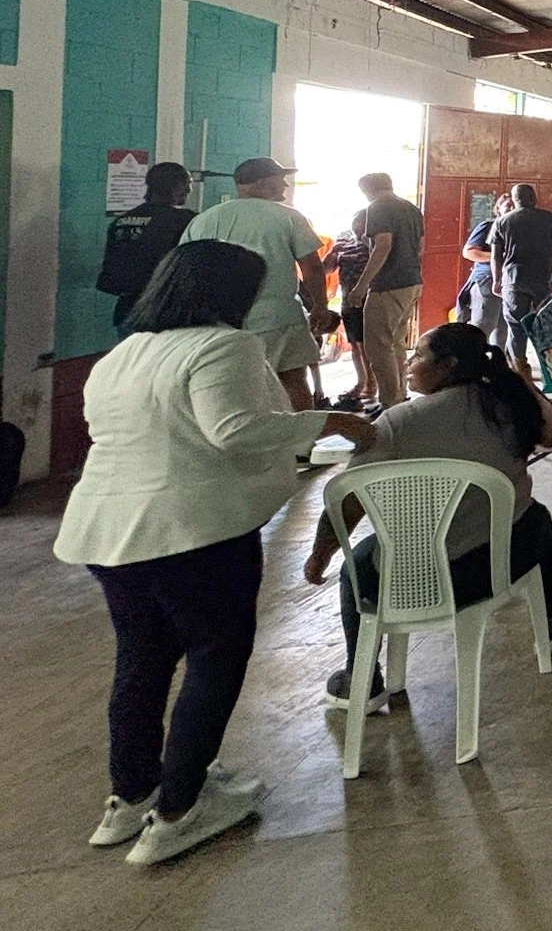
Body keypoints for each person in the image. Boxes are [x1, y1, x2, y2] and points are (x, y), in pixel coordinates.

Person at [55, 241, 372, 865]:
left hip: (108, 530)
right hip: (190, 533)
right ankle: (179, 809)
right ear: (231, 293)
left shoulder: (123, 353)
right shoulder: (222, 344)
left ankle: (132, 793)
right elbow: (233, 430)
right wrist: (325, 422)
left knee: (142, 659)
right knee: (213, 657)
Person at [305, 321, 552, 711]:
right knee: (537, 517)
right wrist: (525, 386)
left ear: (447, 365)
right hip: (495, 569)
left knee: (356, 563)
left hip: (412, 582)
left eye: (418, 356)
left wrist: (320, 556)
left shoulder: (397, 422)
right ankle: (551, 615)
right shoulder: (507, 403)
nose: (410, 363)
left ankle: (361, 676)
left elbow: (348, 502)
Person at [181, 157, 335, 411]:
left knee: (237, 385)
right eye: (280, 178)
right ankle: (300, 443)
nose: (285, 184)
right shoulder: (289, 217)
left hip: (220, 320)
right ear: (264, 183)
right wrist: (320, 305)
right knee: (292, 378)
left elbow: (186, 268)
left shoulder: (204, 220)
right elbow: (312, 266)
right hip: (278, 317)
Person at [346, 172, 425, 412]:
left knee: (378, 347)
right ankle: (400, 396)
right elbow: (421, 247)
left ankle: (390, 403)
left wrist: (361, 286)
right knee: (396, 343)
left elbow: (383, 245)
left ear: (366, 190)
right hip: (411, 282)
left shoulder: (377, 208)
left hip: (387, 285)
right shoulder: (411, 208)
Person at [96, 161, 196, 332]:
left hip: (128, 310)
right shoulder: (185, 220)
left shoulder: (121, 221)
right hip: (166, 312)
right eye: (187, 184)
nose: (189, 190)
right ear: (176, 186)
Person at [491, 183, 552, 372]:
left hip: (514, 280)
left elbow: (495, 255)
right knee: (547, 322)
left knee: (516, 327)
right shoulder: (549, 218)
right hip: (544, 278)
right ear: (534, 198)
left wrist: (496, 280)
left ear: (514, 199)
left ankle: (519, 369)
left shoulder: (501, 222)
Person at [323, 212, 375, 408]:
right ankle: (361, 382)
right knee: (355, 344)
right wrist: (333, 253)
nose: (358, 227)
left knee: (368, 344)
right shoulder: (343, 239)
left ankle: (371, 384)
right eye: (356, 222)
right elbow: (326, 269)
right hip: (348, 298)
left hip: (370, 298)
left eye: (362, 223)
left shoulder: (375, 241)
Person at [458, 194, 511, 348]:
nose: (512, 208)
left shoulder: (519, 229)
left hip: (510, 283)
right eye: (508, 205)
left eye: (515, 205)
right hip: (487, 282)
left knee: (503, 329)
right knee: (482, 326)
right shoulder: (488, 226)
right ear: (498, 209)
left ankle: (496, 366)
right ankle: (471, 365)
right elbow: (469, 252)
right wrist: (498, 256)